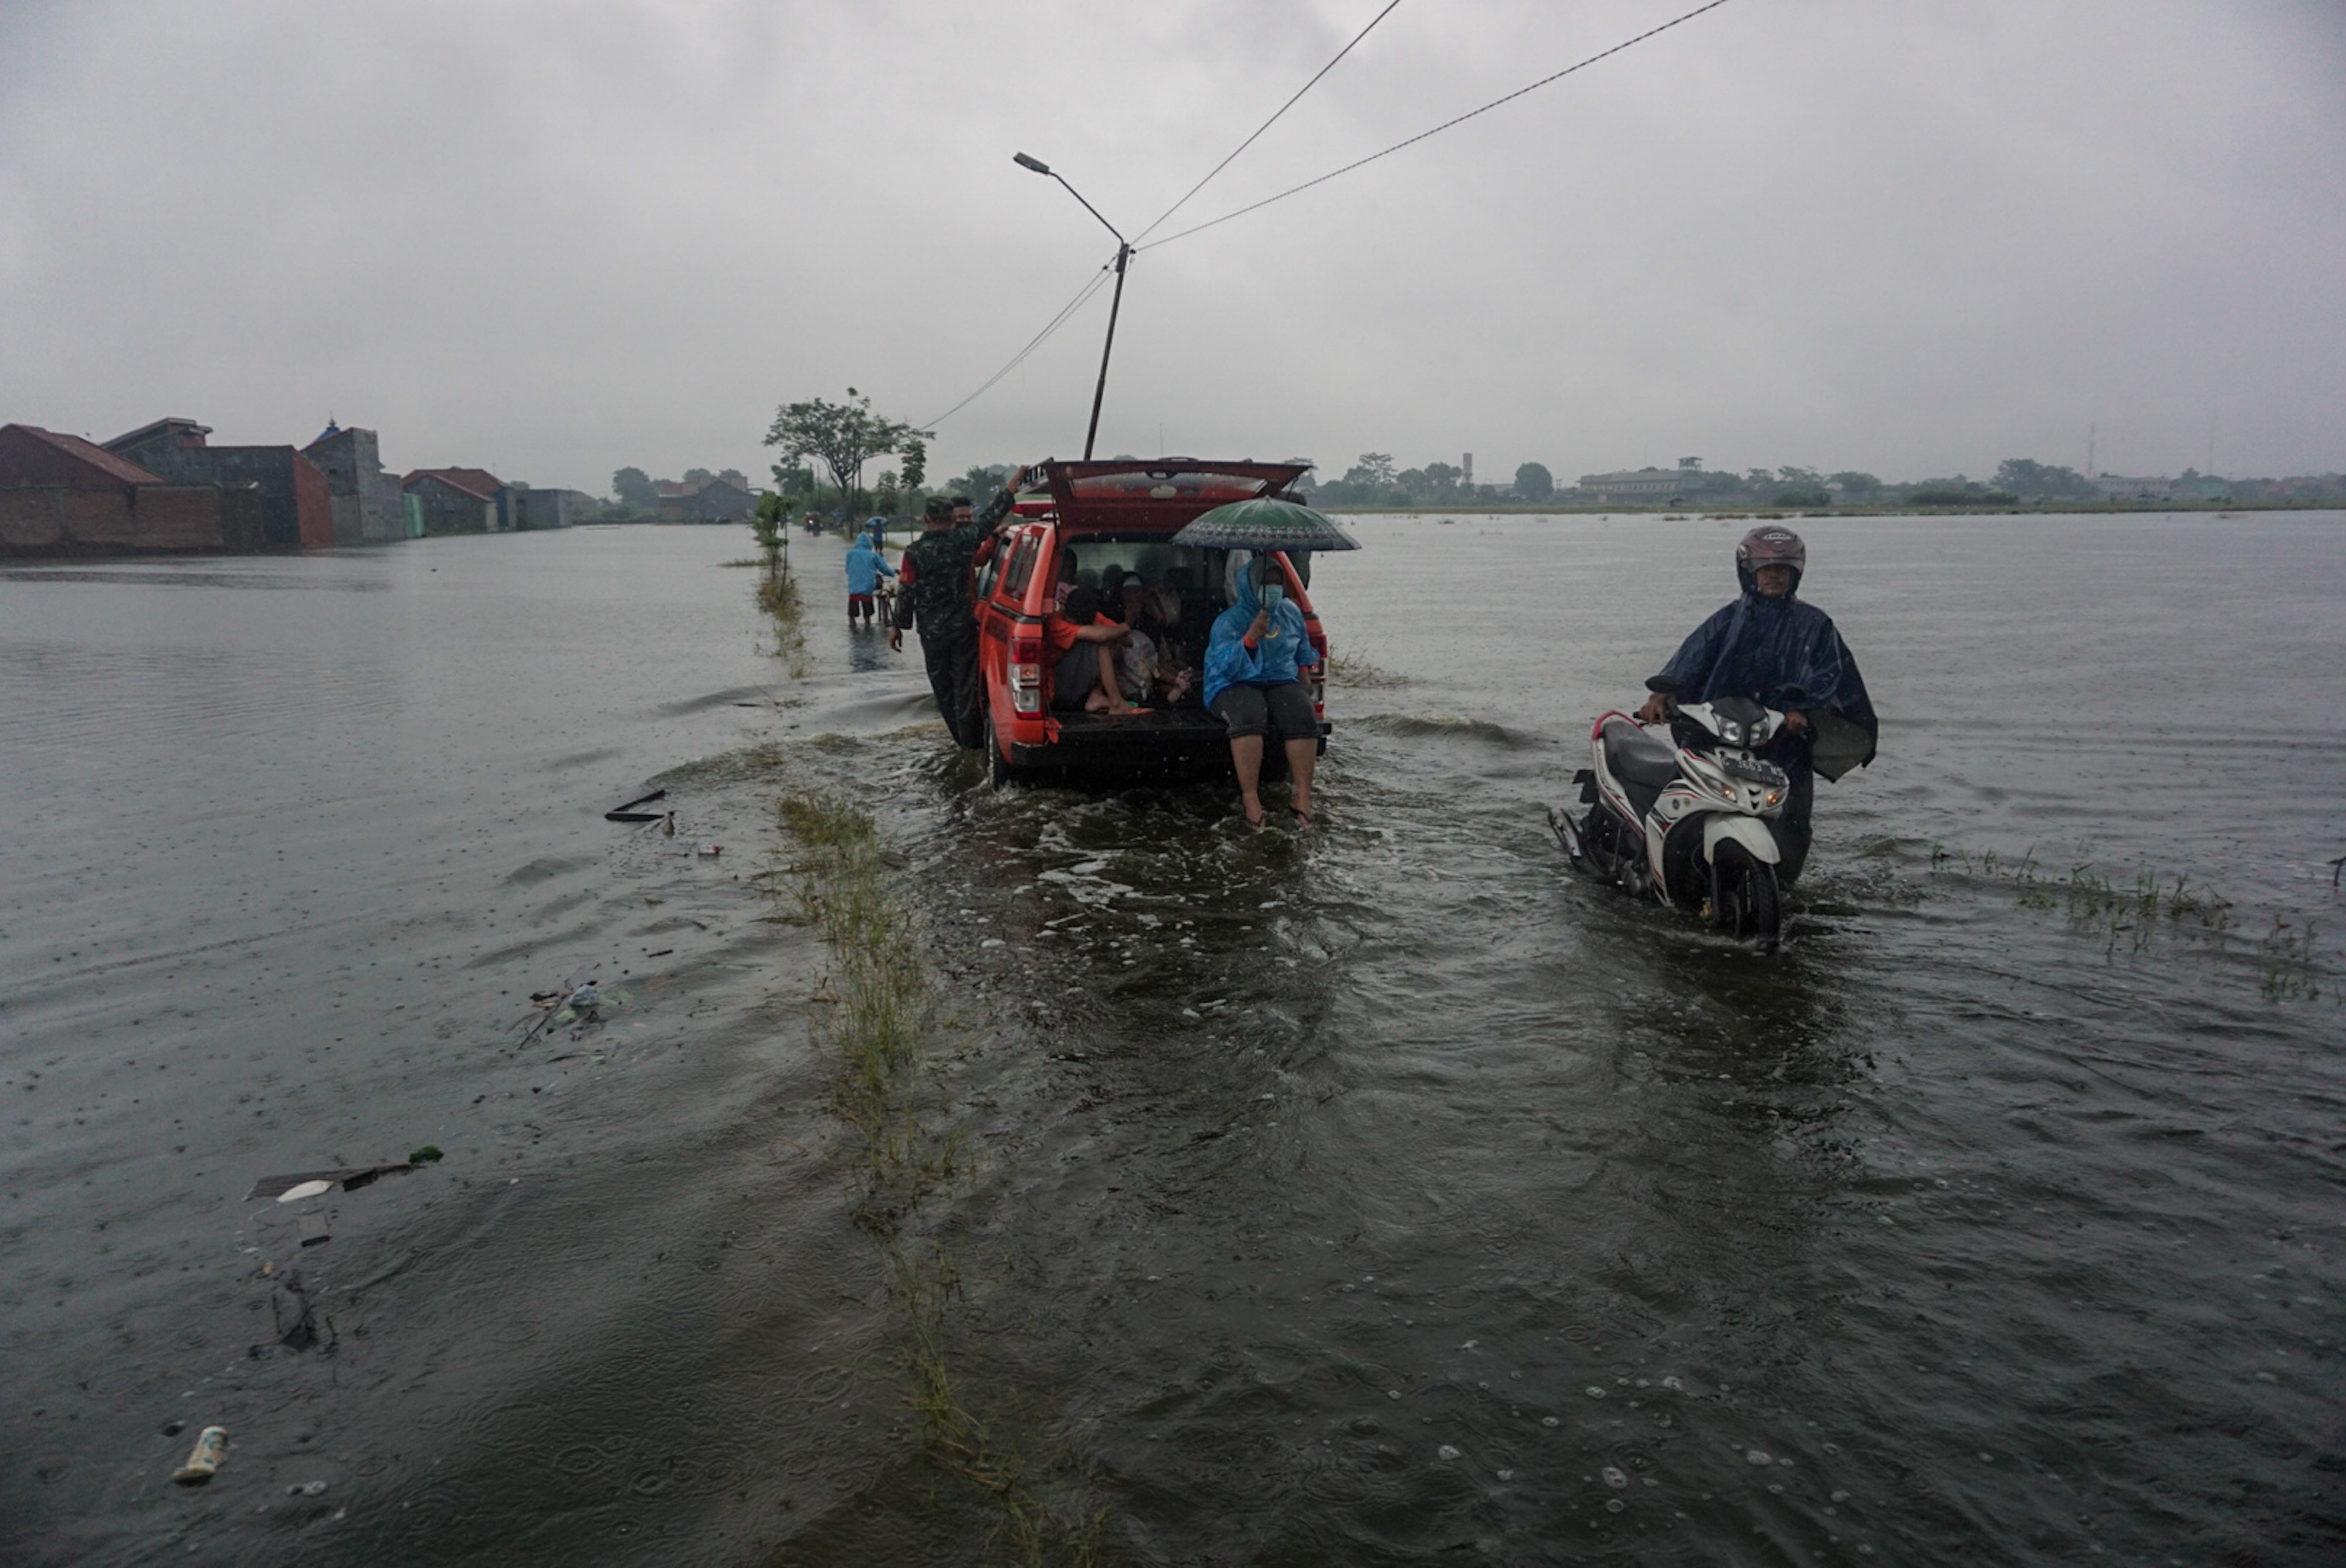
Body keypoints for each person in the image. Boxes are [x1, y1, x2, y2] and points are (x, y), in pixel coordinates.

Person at [1633, 525, 1876, 883]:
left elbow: (1830, 674)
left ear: (1795, 574)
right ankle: (1645, 868)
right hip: (1721, 732)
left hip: (1784, 739)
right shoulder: (1727, 619)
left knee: (1794, 819)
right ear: (1749, 573)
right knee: (1675, 798)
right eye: (1766, 569)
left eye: (1782, 569)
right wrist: (1659, 696)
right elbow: (1691, 659)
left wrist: (1802, 708)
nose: (1774, 576)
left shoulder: (1816, 625)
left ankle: (1782, 886)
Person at [1205, 552, 1321, 830]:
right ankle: (1251, 799)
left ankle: (1302, 797)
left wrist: (1304, 674)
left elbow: (1302, 648)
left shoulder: (1291, 612)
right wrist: (1250, 638)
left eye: (1277, 583)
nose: (1273, 590)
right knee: (1249, 715)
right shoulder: (1229, 621)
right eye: (1266, 583)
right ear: (1251, 585)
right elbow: (1225, 666)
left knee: (1303, 715)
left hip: (1278, 679)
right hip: (1232, 681)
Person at [891, 493, 1011, 747]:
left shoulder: (914, 552)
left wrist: (898, 627)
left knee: (943, 690)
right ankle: (972, 743)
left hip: (932, 633)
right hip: (963, 629)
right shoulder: (964, 540)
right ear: (952, 519)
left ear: (926, 519)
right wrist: (1012, 486)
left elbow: (906, 591)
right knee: (966, 688)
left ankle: (962, 742)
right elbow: (991, 517)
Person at [1044, 587, 1138, 714]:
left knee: (1109, 639)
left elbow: (1127, 641)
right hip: (1059, 686)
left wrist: (1112, 630)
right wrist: (1125, 626)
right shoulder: (1055, 623)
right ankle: (1117, 702)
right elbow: (1102, 636)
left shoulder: (1092, 616)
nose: (1069, 620)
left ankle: (1096, 694)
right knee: (1102, 641)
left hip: (1079, 680)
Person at [843, 522, 894, 630]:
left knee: (852, 615)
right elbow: (885, 569)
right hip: (868, 588)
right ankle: (868, 627)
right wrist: (894, 573)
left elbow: (847, 570)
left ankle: (853, 626)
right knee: (868, 615)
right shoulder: (873, 555)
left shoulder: (850, 554)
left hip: (853, 588)